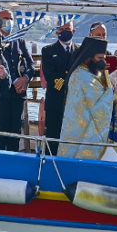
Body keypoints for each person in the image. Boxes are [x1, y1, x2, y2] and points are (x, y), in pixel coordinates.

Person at [58, 37, 114, 159]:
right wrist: (111, 91)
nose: (103, 62)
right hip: (82, 131)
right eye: (100, 58)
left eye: (103, 58)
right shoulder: (83, 77)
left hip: (77, 128)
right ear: (88, 57)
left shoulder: (83, 73)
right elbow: (101, 104)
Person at [0, 9, 36, 151]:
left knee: (15, 130)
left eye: (11, 18)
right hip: (0, 95)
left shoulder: (19, 41)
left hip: (18, 95)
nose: (9, 21)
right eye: (5, 18)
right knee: (0, 129)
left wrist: (25, 78)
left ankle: (13, 158)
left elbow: (31, 65)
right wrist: (13, 81)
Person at [40, 20, 76, 155]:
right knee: (53, 139)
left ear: (74, 31)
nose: (64, 32)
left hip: (74, 103)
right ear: (56, 31)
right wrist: (68, 84)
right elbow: (50, 75)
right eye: (61, 29)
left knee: (71, 139)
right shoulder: (48, 50)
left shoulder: (79, 51)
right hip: (55, 100)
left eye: (67, 28)